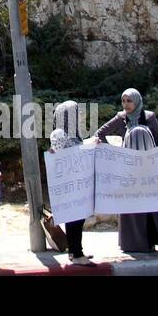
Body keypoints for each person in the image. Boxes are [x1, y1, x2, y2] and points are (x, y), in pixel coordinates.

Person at [96, 89, 158, 256]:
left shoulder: (148, 117)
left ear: (137, 101)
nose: (126, 104)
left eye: (129, 101)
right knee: (134, 206)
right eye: (123, 101)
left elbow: (157, 140)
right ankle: (141, 244)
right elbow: (100, 134)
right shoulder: (121, 118)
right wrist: (115, 154)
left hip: (150, 169)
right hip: (130, 171)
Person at [47, 100, 95, 266]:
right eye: (75, 112)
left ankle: (75, 251)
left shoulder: (73, 133)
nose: (79, 115)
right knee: (74, 219)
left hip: (76, 182)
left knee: (77, 218)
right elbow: (58, 156)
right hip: (69, 183)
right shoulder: (60, 133)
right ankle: (76, 253)